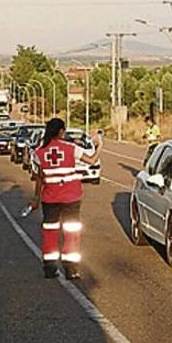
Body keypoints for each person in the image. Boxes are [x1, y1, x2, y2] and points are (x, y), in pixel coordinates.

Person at [30, 118, 102, 279]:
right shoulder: (71, 148)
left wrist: (35, 198)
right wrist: (99, 146)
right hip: (71, 198)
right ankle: (71, 269)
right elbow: (91, 160)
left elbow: (39, 178)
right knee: (71, 232)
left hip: (49, 199)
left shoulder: (39, 152)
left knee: (50, 232)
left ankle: (49, 267)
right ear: (61, 131)